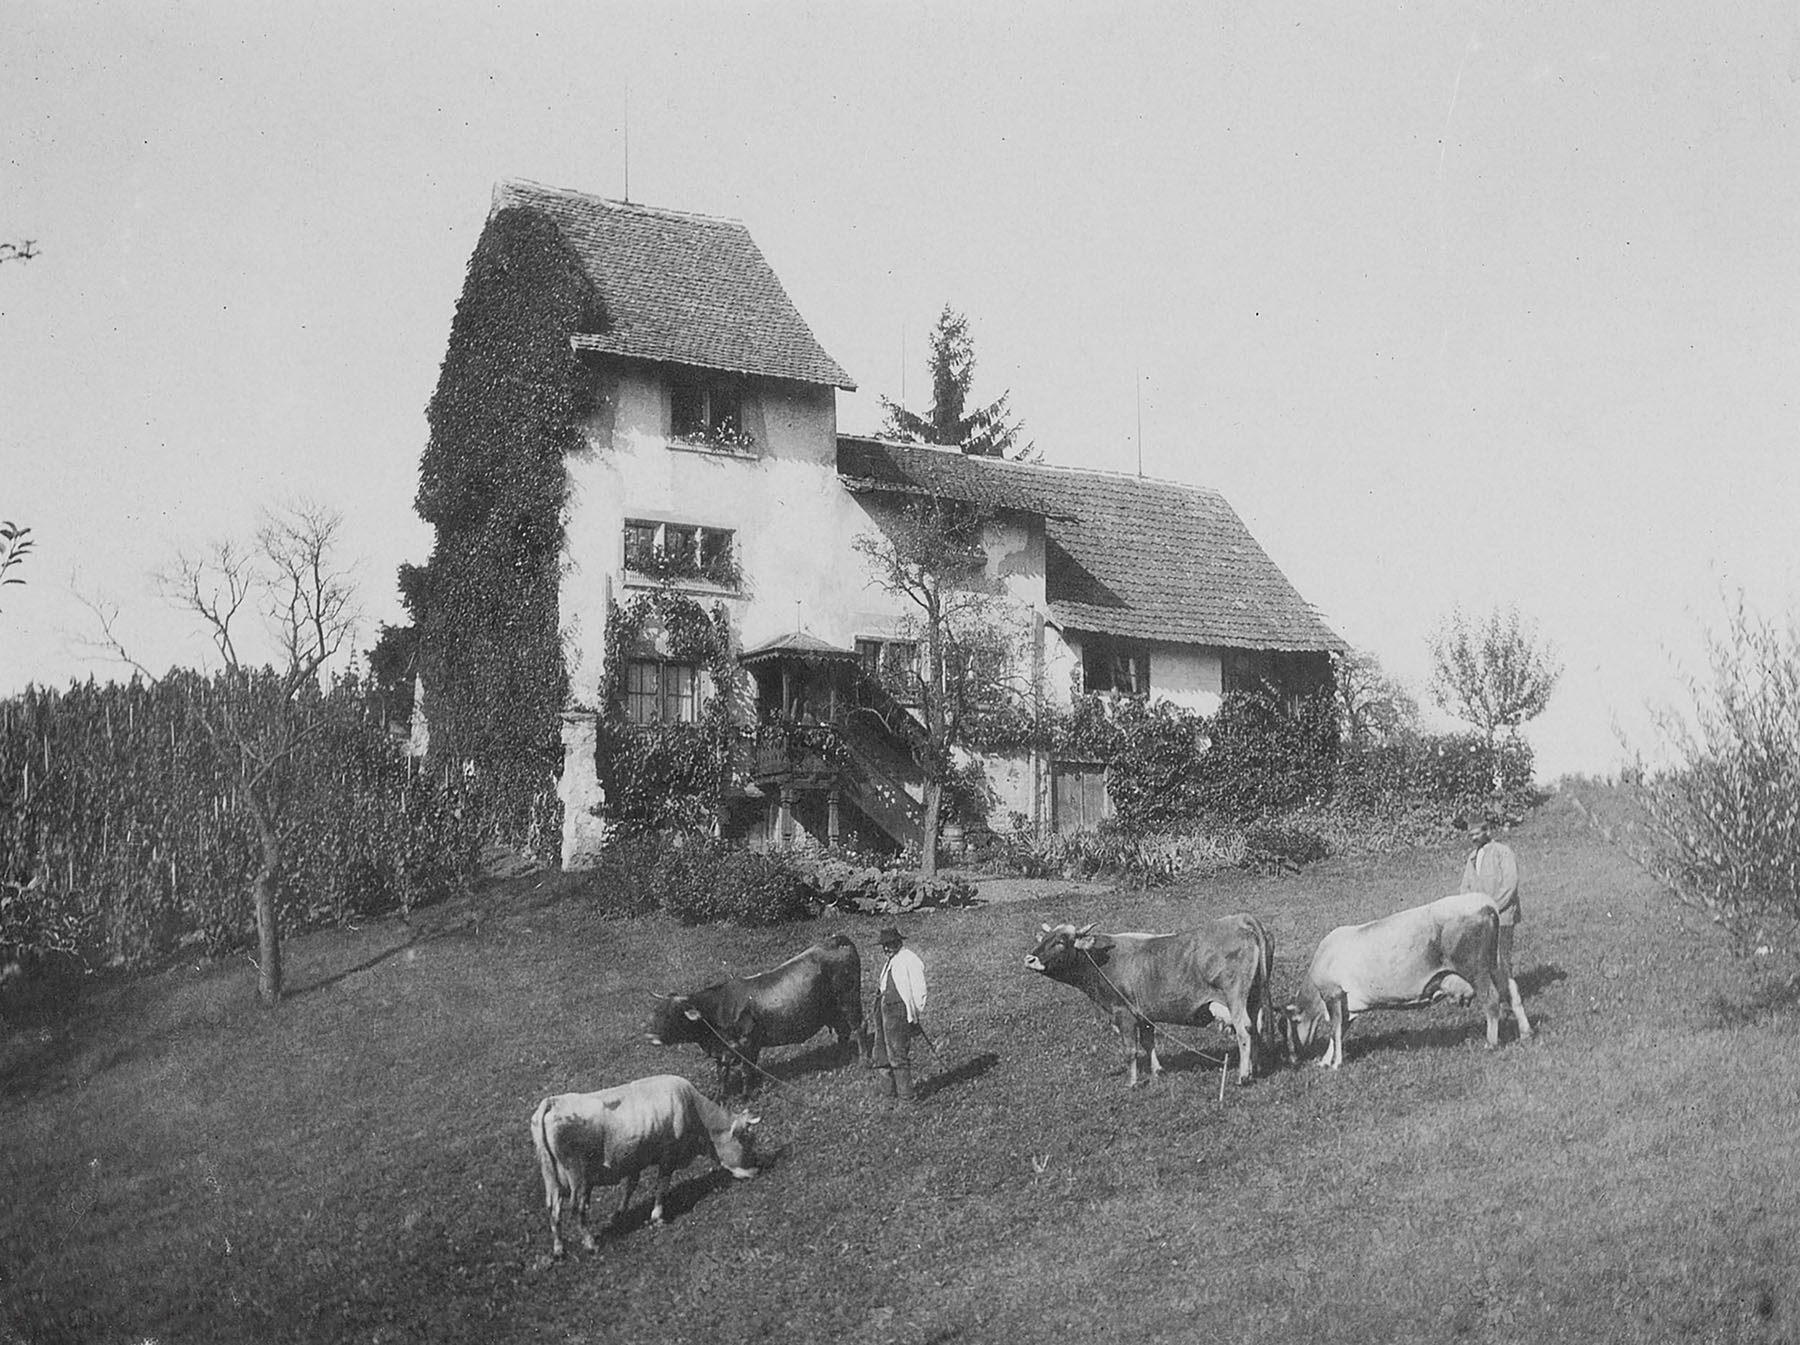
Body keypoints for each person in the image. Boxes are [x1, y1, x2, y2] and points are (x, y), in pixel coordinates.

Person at [1458, 812, 1533, 1038]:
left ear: (1487, 830)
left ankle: (1511, 1002)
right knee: (1486, 964)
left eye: (1477, 833)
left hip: (1502, 917)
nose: (1473, 838)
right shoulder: (1472, 858)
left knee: (1502, 961)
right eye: (1470, 834)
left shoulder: (1502, 852)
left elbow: (1510, 885)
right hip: (1481, 922)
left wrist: (1491, 909)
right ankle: (1499, 999)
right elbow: (1465, 889)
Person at [871, 925, 927, 1104]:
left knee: (897, 1054)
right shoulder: (891, 961)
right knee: (880, 1053)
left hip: (898, 1013)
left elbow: (920, 990)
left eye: (890, 944)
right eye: (884, 946)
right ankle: (888, 1093)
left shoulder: (909, 959)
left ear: (898, 942)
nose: (886, 948)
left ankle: (906, 1097)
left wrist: (914, 1015)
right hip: (883, 1011)